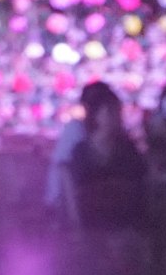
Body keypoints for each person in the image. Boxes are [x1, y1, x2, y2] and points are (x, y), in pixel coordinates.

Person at [47, 82, 147, 243]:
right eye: (108, 111)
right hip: (88, 227)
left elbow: (137, 189)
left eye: (116, 111)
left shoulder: (128, 150)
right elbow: (74, 191)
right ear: (96, 115)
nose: (114, 117)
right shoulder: (80, 149)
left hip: (123, 227)